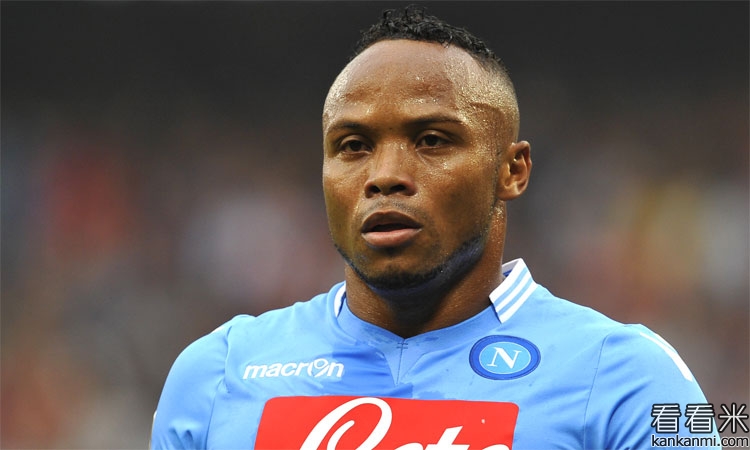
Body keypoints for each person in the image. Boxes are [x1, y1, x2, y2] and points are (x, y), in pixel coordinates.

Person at [151, 7, 719, 449]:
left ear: (512, 170)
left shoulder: (632, 377)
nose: (385, 176)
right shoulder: (216, 371)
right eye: (353, 146)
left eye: (431, 141)